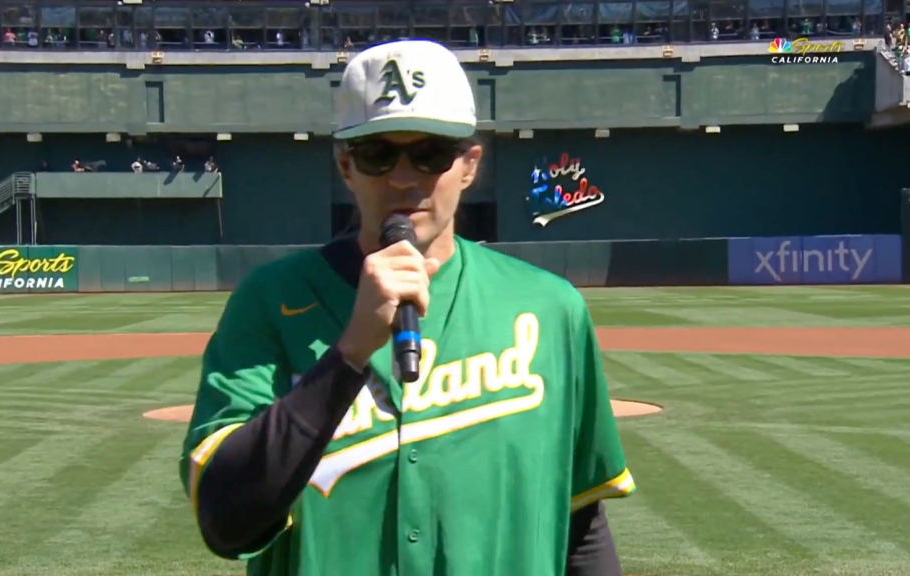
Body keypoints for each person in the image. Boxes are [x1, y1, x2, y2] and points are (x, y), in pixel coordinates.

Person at [179, 39, 635, 576]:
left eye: (430, 153)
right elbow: (225, 520)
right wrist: (349, 353)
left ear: (468, 165)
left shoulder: (552, 309)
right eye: (377, 154)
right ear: (346, 165)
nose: (403, 177)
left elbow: (580, 525)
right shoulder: (270, 302)